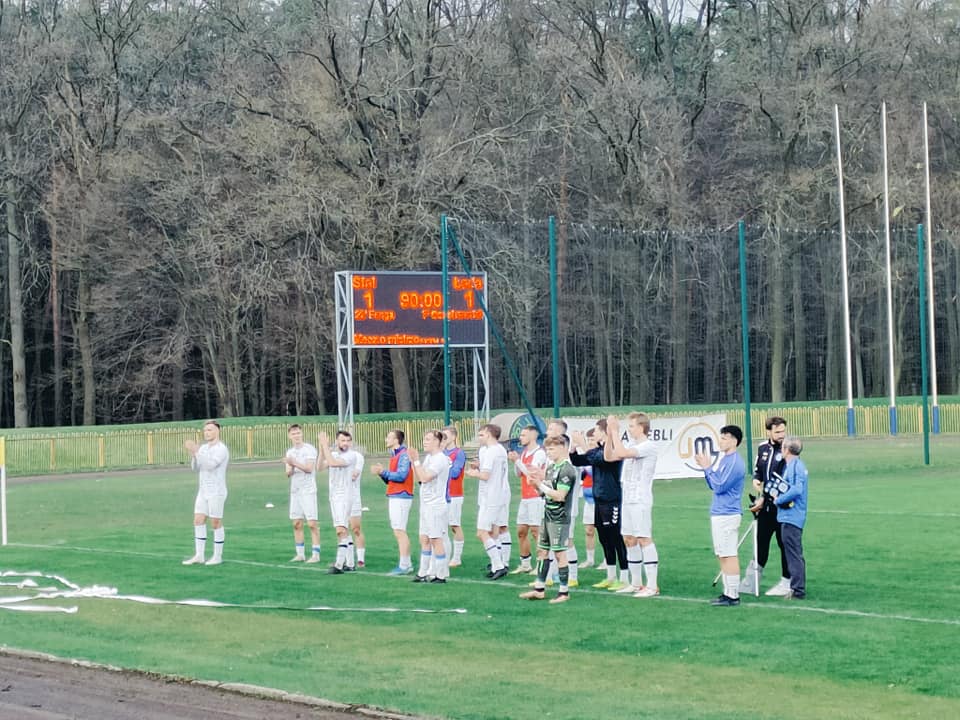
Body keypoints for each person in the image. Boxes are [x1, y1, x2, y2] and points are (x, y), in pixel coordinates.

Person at [606, 413, 660, 597]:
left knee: (644, 538)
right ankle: (636, 583)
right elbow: (609, 456)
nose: (629, 429)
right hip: (627, 498)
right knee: (629, 538)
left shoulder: (649, 446)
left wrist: (615, 431)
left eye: (631, 426)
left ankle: (652, 585)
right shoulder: (631, 445)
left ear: (641, 427)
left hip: (640, 498)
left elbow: (621, 453)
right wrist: (609, 435)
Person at [518, 435, 578, 604]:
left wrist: (541, 484)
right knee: (542, 552)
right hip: (547, 514)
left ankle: (564, 592)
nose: (548, 453)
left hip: (560, 518)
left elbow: (560, 495)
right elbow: (545, 493)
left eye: (552, 449)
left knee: (559, 554)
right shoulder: (551, 468)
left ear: (563, 448)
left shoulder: (567, 469)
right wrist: (536, 485)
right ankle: (539, 589)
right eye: (547, 449)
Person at [570, 419, 629, 590]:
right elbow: (577, 461)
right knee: (604, 539)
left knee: (616, 538)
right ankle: (611, 576)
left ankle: (624, 577)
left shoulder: (612, 450)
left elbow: (601, 459)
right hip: (599, 501)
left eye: (596, 430)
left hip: (612, 500)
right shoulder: (596, 450)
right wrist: (574, 447)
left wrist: (583, 443)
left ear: (604, 432)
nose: (593, 433)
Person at [696, 424, 746, 606]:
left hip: (727, 513)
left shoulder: (734, 462)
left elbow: (719, 486)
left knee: (729, 553)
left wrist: (707, 467)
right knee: (722, 553)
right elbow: (714, 483)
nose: (721, 441)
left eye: (725, 438)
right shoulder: (725, 459)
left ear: (734, 441)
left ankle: (733, 594)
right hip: (719, 512)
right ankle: (727, 592)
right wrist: (707, 469)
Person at [747, 416, 792, 596]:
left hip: (782, 506)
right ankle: (752, 581)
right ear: (769, 432)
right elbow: (759, 469)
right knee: (760, 542)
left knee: (784, 544)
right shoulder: (762, 448)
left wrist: (766, 497)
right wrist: (756, 480)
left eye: (783, 431)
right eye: (777, 431)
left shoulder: (789, 449)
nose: (781, 435)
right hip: (765, 507)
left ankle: (786, 582)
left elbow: (783, 479)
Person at [465, 423, 510, 580]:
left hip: (491, 496)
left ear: (489, 434)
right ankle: (498, 564)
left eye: (481, 435)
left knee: (482, 532)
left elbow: (485, 476)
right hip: (497, 495)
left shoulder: (492, 451)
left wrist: (473, 473)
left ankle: (499, 565)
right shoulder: (500, 450)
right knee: (493, 532)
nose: (479, 438)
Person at [182, 420, 229, 566]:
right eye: (205, 430)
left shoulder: (221, 449)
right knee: (198, 520)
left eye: (210, 430)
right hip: (203, 490)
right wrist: (193, 453)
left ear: (217, 431)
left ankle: (217, 555)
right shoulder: (203, 448)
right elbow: (195, 468)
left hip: (217, 490)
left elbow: (210, 465)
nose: (207, 433)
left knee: (215, 522)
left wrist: (196, 451)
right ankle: (199, 555)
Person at [408, 430, 453, 583]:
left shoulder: (440, 459)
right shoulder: (429, 458)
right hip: (426, 504)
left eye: (428, 439)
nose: (424, 442)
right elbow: (420, 478)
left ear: (437, 442)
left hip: (436, 504)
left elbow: (426, 477)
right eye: (424, 438)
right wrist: (414, 462)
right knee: (424, 538)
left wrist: (416, 461)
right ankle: (423, 572)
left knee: (436, 539)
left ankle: (440, 574)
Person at [370, 429, 415, 575]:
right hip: (396, 495)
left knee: (400, 531)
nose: (386, 439)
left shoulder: (403, 455)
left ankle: (404, 564)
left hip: (401, 496)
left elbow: (402, 476)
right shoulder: (395, 456)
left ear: (396, 440)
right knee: (398, 530)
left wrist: (383, 472)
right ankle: (406, 563)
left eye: (389, 437)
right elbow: (391, 480)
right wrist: (381, 473)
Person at [318, 430, 361, 573]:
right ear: (337, 441)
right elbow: (319, 467)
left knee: (340, 530)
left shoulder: (351, 456)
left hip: (344, 496)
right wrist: (322, 450)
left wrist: (325, 446)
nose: (346, 443)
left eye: (348, 441)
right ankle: (350, 563)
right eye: (343, 440)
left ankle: (338, 564)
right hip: (334, 496)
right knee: (343, 529)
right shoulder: (334, 454)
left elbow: (332, 463)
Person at [507, 425, 547, 574]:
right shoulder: (523, 452)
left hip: (536, 497)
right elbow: (519, 473)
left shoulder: (540, 453)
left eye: (524, 435)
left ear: (533, 436)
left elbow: (531, 473)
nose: (521, 438)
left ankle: (541, 563)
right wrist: (515, 461)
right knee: (521, 530)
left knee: (536, 532)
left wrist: (518, 461)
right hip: (525, 496)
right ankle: (525, 563)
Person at [773, 436, 808, 600]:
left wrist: (778, 500)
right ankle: (796, 588)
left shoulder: (795, 467)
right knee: (793, 552)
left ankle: (797, 590)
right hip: (789, 516)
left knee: (793, 553)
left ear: (786, 449)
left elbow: (796, 490)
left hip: (791, 516)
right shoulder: (794, 466)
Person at [284, 424, 320, 563]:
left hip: (308, 490)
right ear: (289, 436)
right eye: (294, 434)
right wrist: (290, 466)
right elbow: (288, 473)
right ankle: (300, 554)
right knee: (297, 523)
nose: (296, 436)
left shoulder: (309, 449)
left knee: (312, 523)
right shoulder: (290, 452)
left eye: (298, 433)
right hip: (295, 490)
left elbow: (309, 468)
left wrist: (294, 462)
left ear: (302, 434)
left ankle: (316, 553)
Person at [442, 426, 467, 568]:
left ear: (453, 437)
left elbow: (456, 472)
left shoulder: (459, 453)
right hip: (443, 494)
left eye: (446, 435)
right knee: (443, 525)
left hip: (455, 493)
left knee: (454, 524)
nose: (443, 438)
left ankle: (457, 557)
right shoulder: (442, 453)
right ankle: (444, 553)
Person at [348, 441, 367, 568]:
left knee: (356, 528)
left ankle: (360, 559)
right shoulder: (335, 456)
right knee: (341, 529)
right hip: (338, 498)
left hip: (353, 497)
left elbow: (354, 475)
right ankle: (346, 559)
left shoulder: (357, 457)